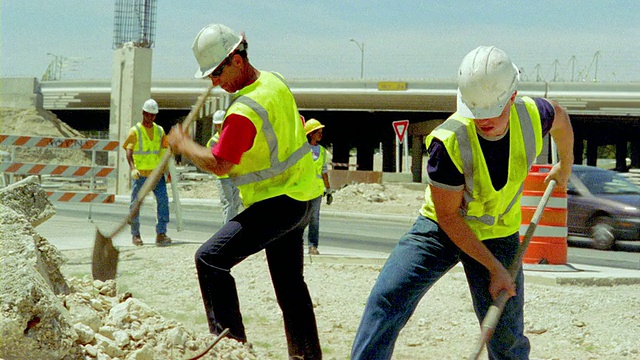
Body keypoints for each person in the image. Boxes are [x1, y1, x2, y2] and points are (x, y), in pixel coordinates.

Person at [351, 46, 574, 359]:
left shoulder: (534, 114)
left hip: (498, 234)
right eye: (476, 112)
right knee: (387, 300)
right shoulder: (449, 141)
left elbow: (561, 118)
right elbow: (448, 216)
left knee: (505, 336)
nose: (482, 120)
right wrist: (495, 268)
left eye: (491, 113)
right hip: (440, 230)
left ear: (512, 97)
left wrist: (566, 164)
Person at [167, 23, 324, 359]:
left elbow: (221, 165)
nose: (214, 82)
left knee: (209, 260)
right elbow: (270, 141)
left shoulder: (244, 110)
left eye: (217, 72)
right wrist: (218, 143)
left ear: (237, 59)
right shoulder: (274, 81)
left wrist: (185, 145)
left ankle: (231, 351)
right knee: (291, 289)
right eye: (209, 75)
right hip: (301, 198)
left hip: (278, 202)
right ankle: (307, 357)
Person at [122, 98, 172, 247]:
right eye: (148, 114)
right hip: (141, 175)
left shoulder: (159, 130)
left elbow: (165, 152)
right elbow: (129, 152)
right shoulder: (135, 131)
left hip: (157, 175)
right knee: (136, 204)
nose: (150, 117)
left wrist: (166, 171)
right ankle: (135, 235)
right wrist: (133, 168)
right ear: (143, 113)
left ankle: (161, 233)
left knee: (163, 203)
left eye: (153, 115)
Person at [207, 109, 242, 224]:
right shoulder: (214, 141)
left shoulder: (233, 137)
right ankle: (228, 231)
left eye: (220, 125)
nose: (219, 128)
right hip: (223, 178)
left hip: (235, 175)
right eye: (217, 125)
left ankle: (230, 229)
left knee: (235, 204)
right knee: (228, 204)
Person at [303, 118, 332, 255]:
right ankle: (295, 244)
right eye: (318, 132)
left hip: (316, 191)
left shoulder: (322, 151)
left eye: (321, 132)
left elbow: (324, 171)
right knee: (300, 219)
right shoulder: (301, 149)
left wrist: (328, 189)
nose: (320, 135)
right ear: (310, 134)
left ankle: (313, 245)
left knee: (314, 218)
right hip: (301, 189)